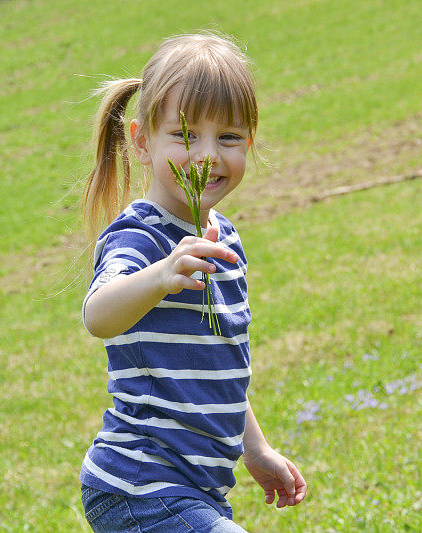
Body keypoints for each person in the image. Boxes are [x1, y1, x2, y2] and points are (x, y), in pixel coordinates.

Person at [77, 32, 307, 532]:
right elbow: (97, 315)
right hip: (138, 487)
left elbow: (216, 360)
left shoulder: (225, 238)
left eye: (227, 138)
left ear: (249, 142)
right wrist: (160, 276)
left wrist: (256, 448)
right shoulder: (140, 235)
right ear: (142, 141)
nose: (207, 156)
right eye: (185, 136)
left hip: (198, 491)